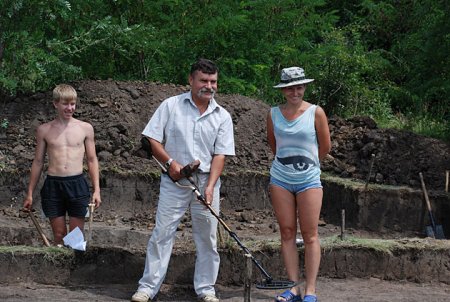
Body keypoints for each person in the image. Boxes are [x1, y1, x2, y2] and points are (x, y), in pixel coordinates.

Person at [131, 58, 235, 302]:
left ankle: (206, 289)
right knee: (162, 233)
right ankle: (148, 287)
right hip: (174, 181)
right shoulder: (171, 106)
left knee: (207, 236)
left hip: (206, 181)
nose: (209, 86)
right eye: (203, 80)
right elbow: (152, 138)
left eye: (213, 82)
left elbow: (220, 154)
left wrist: (210, 186)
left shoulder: (222, 116)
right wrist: (170, 164)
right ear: (191, 80)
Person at [267, 67, 331, 302]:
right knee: (286, 232)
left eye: (299, 87)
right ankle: (294, 287)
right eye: (291, 87)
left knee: (310, 234)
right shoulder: (273, 113)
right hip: (281, 178)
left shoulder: (316, 113)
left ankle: (311, 289)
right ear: (283, 89)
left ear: (304, 87)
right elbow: (274, 146)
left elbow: (325, 147)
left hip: (309, 180)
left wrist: (308, 164)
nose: (295, 91)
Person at [23, 84, 101, 245]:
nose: (70, 108)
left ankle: (76, 269)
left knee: (75, 238)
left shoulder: (85, 128)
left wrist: (97, 190)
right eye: (65, 104)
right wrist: (30, 193)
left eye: (72, 104)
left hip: (77, 185)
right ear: (55, 104)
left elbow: (92, 160)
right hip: (53, 186)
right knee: (59, 236)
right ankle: (59, 270)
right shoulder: (44, 130)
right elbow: (38, 162)